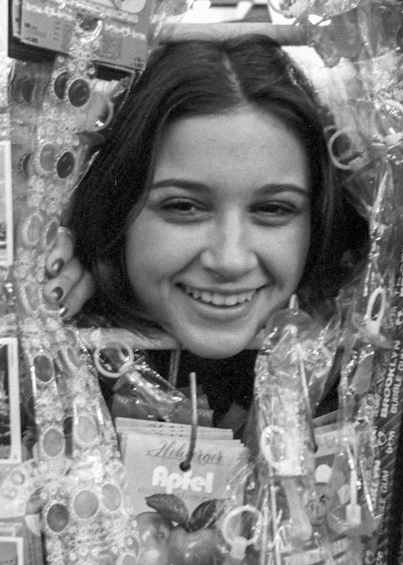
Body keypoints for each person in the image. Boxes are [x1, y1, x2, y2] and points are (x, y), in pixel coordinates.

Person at [44, 35, 367, 428]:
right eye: (183, 207)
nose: (230, 260)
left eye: (273, 209)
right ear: (115, 212)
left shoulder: (360, 379)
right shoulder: (58, 376)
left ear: (318, 221)